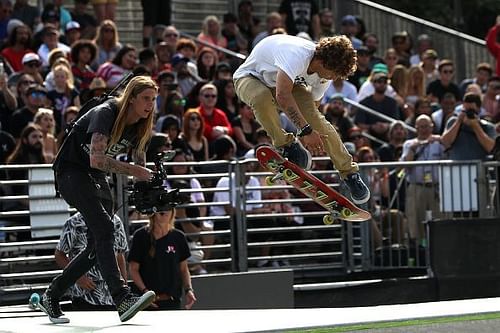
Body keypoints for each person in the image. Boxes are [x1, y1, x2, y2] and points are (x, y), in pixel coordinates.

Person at [39, 76, 158, 324]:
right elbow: (97, 159)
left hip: (94, 175)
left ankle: (52, 295)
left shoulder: (139, 124)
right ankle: (122, 297)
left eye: (154, 99)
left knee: (97, 244)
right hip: (71, 172)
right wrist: (136, 172)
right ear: (131, 98)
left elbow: (139, 160)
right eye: (146, 98)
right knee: (105, 228)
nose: (150, 104)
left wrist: (146, 187)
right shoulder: (106, 113)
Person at [233, 34, 370, 205]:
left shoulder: (324, 76)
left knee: (318, 122)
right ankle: (285, 145)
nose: (333, 79)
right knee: (262, 99)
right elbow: (282, 96)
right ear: (323, 62)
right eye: (333, 74)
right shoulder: (296, 55)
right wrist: (305, 131)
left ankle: (349, 173)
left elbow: (312, 111)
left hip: (286, 85)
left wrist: (310, 133)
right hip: (249, 77)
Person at [55, 213, 128, 310]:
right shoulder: (74, 222)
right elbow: (59, 255)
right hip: (84, 296)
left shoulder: (116, 221)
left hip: (112, 297)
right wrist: (78, 278)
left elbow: (119, 254)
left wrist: (124, 285)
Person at [128, 208, 197, 310]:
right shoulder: (141, 236)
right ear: (153, 212)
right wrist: (145, 292)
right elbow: (133, 269)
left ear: (173, 212)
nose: (164, 213)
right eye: (160, 209)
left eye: (168, 209)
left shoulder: (178, 237)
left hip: (172, 301)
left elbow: (183, 269)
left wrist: (188, 290)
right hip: (146, 303)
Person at [400, 114, 445, 242]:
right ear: (416, 128)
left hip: (436, 187)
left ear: (432, 127)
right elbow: (404, 166)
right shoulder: (409, 144)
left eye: (426, 126)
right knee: (415, 220)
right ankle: (418, 250)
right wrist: (414, 149)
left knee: (440, 219)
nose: (424, 130)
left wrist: (440, 139)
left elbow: (447, 152)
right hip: (417, 187)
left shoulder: (438, 142)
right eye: (421, 127)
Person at [441, 92, 496, 160]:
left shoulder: (487, 127)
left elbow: (491, 148)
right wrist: (458, 122)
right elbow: (445, 142)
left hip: (479, 168)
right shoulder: (453, 122)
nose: (468, 113)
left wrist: (476, 127)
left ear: (479, 109)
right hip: (457, 168)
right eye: (466, 110)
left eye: (472, 110)